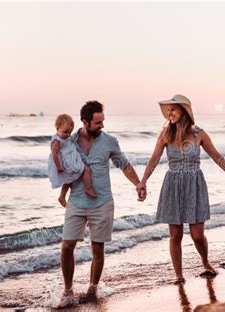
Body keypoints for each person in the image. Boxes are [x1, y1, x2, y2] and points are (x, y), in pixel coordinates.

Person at [136, 94, 225, 284]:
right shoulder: (165, 134)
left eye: (174, 109)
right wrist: (143, 181)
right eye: (168, 110)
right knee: (175, 235)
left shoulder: (199, 134)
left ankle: (205, 261)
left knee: (197, 235)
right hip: (173, 184)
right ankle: (178, 274)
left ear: (184, 111)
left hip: (195, 184)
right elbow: (154, 159)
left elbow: (217, 157)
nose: (170, 113)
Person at [55, 101, 145, 308]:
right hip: (76, 201)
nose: (102, 126)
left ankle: (92, 288)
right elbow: (60, 165)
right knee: (67, 246)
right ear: (85, 122)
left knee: (97, 248)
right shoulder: (70, 141)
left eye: (102, 121)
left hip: (102, 202)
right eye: (97, 123)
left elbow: (124, 165)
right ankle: (68, 292)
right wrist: (62, 192)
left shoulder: (110, 142)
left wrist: (138, 184)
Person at [48, 114, 96, 208]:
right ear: (57, 128)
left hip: (70, 160)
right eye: (65, 132)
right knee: (84, 170)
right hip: (64, 163)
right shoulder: (57, 141)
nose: (68, 135)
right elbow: (54, 154)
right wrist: (58, 167)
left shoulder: (66, 137)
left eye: (70, 132)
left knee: (70, 179)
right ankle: (88, 188)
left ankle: (62, 196)